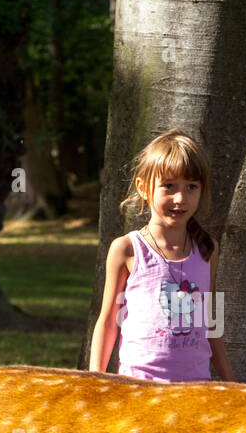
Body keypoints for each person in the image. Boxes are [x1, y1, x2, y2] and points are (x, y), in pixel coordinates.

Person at [90, 129, 236, 383]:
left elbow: (211, 323)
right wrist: (93, 382)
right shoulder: (127, 249)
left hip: (197, 391)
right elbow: (108, 323)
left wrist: (232, 384)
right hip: (138, 389)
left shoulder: (207, 250)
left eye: (191, 187)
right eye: (168, 186)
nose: (180, 198)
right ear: (143, 188)